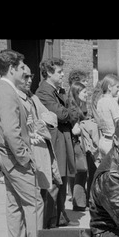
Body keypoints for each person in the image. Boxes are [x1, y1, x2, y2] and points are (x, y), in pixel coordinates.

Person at [0, 48, 43, 237]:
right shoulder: (8, 94)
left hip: (6, 160)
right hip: (16, 160)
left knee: (14, 205)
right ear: (11, 69)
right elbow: (11, 133)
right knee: (34, 204)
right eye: (21, 68)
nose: (24, 72)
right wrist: (25, 158)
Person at [36, 58, 80, 226]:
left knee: (61, 180)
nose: (63, 74)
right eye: (59, 72)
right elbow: (63, 114)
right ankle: (50, 221)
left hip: (62, 140)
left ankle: (60, 217)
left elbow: (70, 110)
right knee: (55, 183)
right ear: (48, 73)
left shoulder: (57, 91)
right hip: (55, 143)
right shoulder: (44, 92)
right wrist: (71, 113)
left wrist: (70, 112)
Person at [20, 64, 62, 229]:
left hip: (43, 150)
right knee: (34, 198)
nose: (30, 80)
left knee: (44, 192)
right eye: (26, 77)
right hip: (32, 152)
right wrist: (40, 123)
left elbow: (52, 118)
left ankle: (42, 232)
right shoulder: (17, 99)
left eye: (31, 77)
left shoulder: (33, 97)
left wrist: (38, 123)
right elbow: (24, 127)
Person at [67, 79, 98, 207]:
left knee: (83, 172)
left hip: (82, 145)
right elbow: (75, 130)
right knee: (82, 172)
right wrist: (88, 125)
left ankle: (81, 202)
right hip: (78, 146)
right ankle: (79, 203)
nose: (87, 94)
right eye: (84, 92)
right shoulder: (74, 110)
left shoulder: (80, 107)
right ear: (77, 93)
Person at [94, 74, 119, 159]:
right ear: (109, 87)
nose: (118, 89)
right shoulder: (112, 102)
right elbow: (118, 122)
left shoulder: (100, 101)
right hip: (111, 142)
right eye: (117, 86)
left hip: (102, 140)